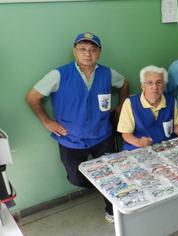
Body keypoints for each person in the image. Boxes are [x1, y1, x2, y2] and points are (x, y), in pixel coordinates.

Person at [26, 32, 129, 223]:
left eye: (93, 49)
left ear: (99, 52)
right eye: (82, 49)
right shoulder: (59, 75)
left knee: (111, 175)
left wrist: (122, 104)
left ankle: (112, 210)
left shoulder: (107, 73)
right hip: (71, 139)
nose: (87, 54)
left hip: (102, 136)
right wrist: (46, 121)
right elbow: (32, 97)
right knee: (75, 178)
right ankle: (101, 187)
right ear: (74, 51)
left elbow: (124, 84)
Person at [117, 65, 178, 151]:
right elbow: (126, 134)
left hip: (165, 148)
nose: (155, 87)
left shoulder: (171, 101)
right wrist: (139, 142)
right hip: (138, 149)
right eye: (149, 83)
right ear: (142, 86)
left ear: (164, 85)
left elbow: (174, 126)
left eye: (159, 82)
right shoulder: (131, 103)